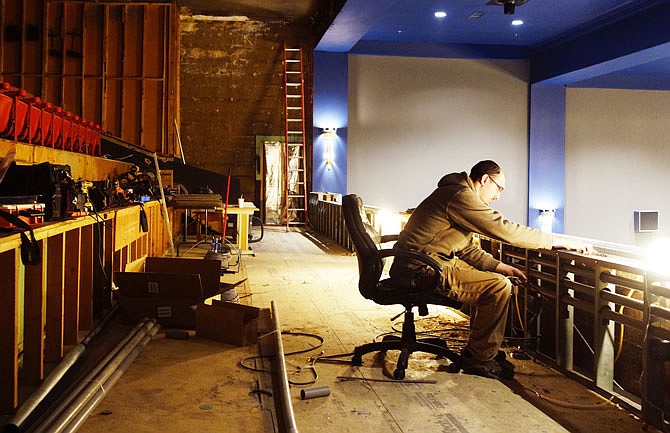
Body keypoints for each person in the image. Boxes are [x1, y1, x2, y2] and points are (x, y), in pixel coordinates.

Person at [389, 160, 591, 379]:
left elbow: (466, 250)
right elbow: (505, 230)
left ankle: (479, 351)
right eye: (499, 188)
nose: (498, 196)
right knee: (497, 287)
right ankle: (479, 360)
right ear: (485, 179)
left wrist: (502, 267)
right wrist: (558, 241)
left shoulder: (454, 195)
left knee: (496, 278)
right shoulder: (460, 196)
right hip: (419, 268)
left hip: (425, 262)